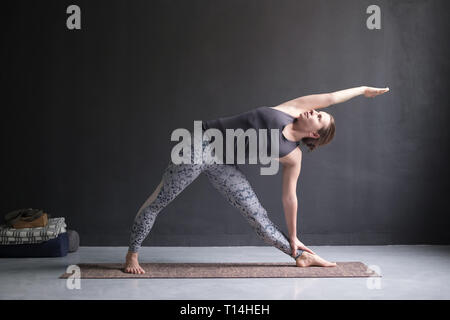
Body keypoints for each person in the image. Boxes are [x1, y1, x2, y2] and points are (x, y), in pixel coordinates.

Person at [123, 85, 390, 274]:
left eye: (319, 117)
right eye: (318, 111)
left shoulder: (293, 156)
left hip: (223, 163)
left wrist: (294, 236)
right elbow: (331, 97)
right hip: (201, 142)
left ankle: (301, 255)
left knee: (258, 216)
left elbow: (289, 197)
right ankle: (132, 253)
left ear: (315, 135)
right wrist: (363, 90)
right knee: (162, 198)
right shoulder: (293, 109)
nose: (316, 111)